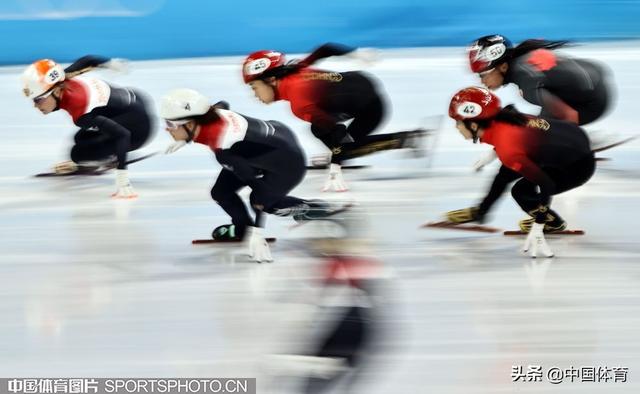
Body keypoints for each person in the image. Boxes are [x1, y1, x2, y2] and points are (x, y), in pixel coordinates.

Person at [159, 88, 334, 263]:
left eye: (171, 124)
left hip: (287, 163)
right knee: (221, 192)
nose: (167, 129)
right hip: (266, 145)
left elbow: (257, 187)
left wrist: (258, 233)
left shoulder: (223, 148)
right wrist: (185, 138)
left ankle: (312, 208)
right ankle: (243, 228)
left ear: (190, 125)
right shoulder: (213, 113)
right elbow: (223, 104)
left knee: (262, 202)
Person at [241, 43, 425, 192]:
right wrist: (356, 54)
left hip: (369, 108)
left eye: (254, 87)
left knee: (337, 141)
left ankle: (404, 140)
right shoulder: (295, 69)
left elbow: (339, 133)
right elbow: (325, 49)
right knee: (324, 131)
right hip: (365, 86)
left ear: (271, 80)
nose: (255, 95)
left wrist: (335, 166)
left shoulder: (300, 103)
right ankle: (398, 140)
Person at [445, 87, 596, 257]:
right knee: (505, 173)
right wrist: (493, 153)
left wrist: (538, 225)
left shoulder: (508, 149)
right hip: (573, 141)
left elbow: (546, 184)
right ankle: (481, 212)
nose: (456, 127)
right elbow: (515, 136)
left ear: (473, 124)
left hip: (577, 167)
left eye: (457, 122)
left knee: (521, 191)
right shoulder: (505, 117)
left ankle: (551, 222)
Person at [468, 35, 614, 170]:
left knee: (539, 132)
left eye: (483, 74)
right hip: (594, 80)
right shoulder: (522, 64)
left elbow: (568, 114)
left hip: (593, 103)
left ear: (503, 66)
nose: (482, 81)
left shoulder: (525, 79)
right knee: (536, 126)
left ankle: (586, 142)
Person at [21, 56, 155, 198]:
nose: (35, 106)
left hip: (139, 131)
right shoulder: (63, 79)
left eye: (38, 100)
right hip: (136, 98)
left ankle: (110, 156)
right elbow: (87, 60)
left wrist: (122, 179)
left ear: (56, 92)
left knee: (79, 154)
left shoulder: (81, 113)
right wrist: (108, 63)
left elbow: (123, 135)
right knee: (80, 138)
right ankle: (104, 153)